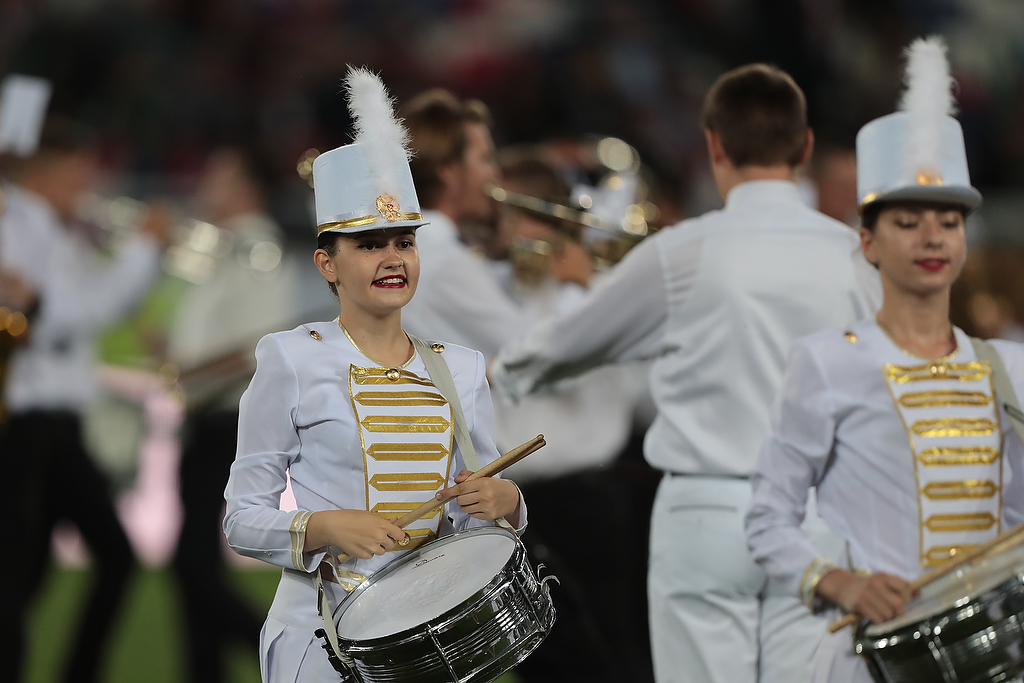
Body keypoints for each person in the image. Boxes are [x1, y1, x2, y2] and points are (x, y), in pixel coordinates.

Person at [491, 64, 881, 683]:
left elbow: (555, 349)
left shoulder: (681, 252)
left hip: (708, 512)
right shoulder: (858, 259)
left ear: (714, 145)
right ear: (805, 147)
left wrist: (495, 372)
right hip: (818, 515)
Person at [221, 67, 526, 683]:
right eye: (368, 245)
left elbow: (474, 521)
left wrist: (508, 502)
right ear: (326, 264)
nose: (392, 259)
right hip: (320, 636)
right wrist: (324, 526)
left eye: (404, 242)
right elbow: (241, 518)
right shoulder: (291, 358)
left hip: (426, 637)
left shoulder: (461, 367)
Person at [744, 37, 1024, 683]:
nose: (932, 237)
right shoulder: (826, 362)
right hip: (881, 658)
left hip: (996, 656)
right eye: (908, 222)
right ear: (867, 242)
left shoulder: (1010, 365)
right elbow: (767, 517)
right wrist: (838, 581)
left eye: (948, 221)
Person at [0, 109, 165, 682]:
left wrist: (139, 261)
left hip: (52, 423)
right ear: (43, 173)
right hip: (28, 421)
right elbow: (68, 316)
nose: (88, 188)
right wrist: (143, 252)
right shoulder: (18, 226)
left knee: (30, 573)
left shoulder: (52, 229)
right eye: (77, 174)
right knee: (23, 573)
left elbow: (91, 302)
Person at [169, 147, 297, 683]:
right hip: (208, 415)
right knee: (195, 562)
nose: (206, 186)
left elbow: (256, 345)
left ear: (248, 186)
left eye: (219, 177)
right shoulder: (228, 246)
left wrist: (188, 372)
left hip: (230, 419)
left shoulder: (257, 248)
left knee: (191, 564)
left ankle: (286, 662)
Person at [399, 90, 590, 360]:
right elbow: (534, 356)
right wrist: (574, 284)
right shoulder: (442, 260)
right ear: (448, 172)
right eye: (485, 159)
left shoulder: (427, 248)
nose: (495, 174)